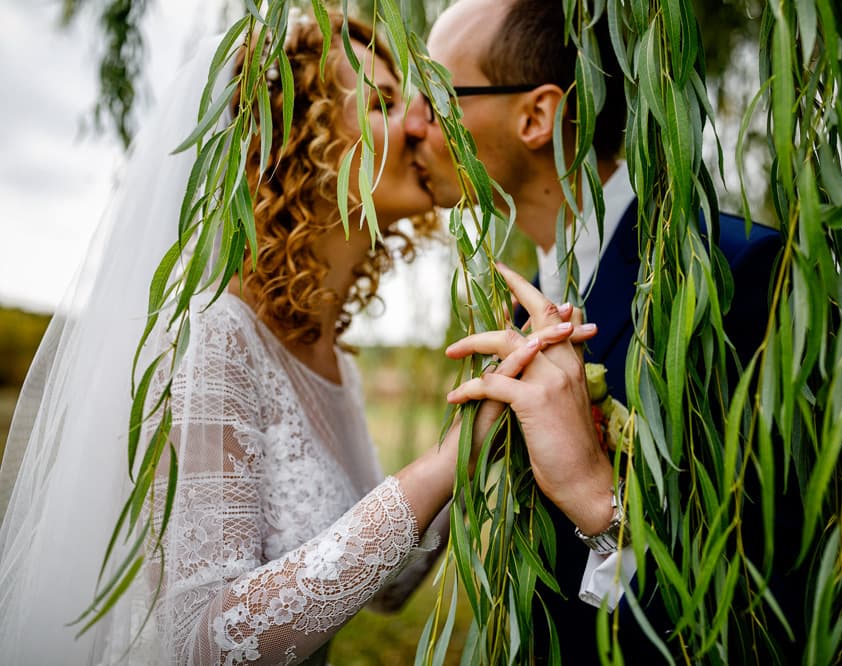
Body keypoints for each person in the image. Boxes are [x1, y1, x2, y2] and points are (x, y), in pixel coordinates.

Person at [0, 11, 595, 665]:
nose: (424, 124)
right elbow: (201, 641)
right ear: (297, 145)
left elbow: (389, 585)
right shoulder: (205, 339)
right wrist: (441, 463)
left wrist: (495, 419)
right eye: (382, 104)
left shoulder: (327, 350)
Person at [411, 0, 803, 661]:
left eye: (435, 98)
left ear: (535, 116)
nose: (409, 126)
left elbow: (772, 601)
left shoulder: (732, 275)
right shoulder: (523, 315)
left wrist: (599, 498)